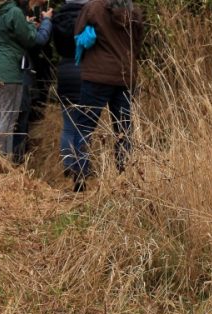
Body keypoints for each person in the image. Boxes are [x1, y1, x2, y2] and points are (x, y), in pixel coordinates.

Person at [70, 0, 144, 192]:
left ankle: (80, 178)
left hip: (96, 76)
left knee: (84, 126)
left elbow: (77, 35)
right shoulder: (133, 10)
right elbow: (137, 45)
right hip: (125, 76)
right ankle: (124, 177)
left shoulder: (92, 8)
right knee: (123, 128)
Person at [0, 0, 53, 159]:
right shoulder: (14, 12)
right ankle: (3, 162)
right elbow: (32, 39)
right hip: (9, 71)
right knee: (8, 117)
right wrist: (34, 25)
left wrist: (5, 34)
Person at [52, 0, 90, 177]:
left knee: (68, 125)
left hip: (64, 70)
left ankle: (68, 163)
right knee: (84, 125)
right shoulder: (89, 16)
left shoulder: (58, 17)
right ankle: (82, 166)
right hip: (84, 70)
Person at [12, 0, 54, 162]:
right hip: (22, 73)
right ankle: (16, 161)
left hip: (34, 72)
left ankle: (22, 160)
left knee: (24, 119)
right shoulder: (17, 12)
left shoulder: (24, 11)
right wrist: (45, 23)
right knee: (18, 119)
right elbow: (36, 40)